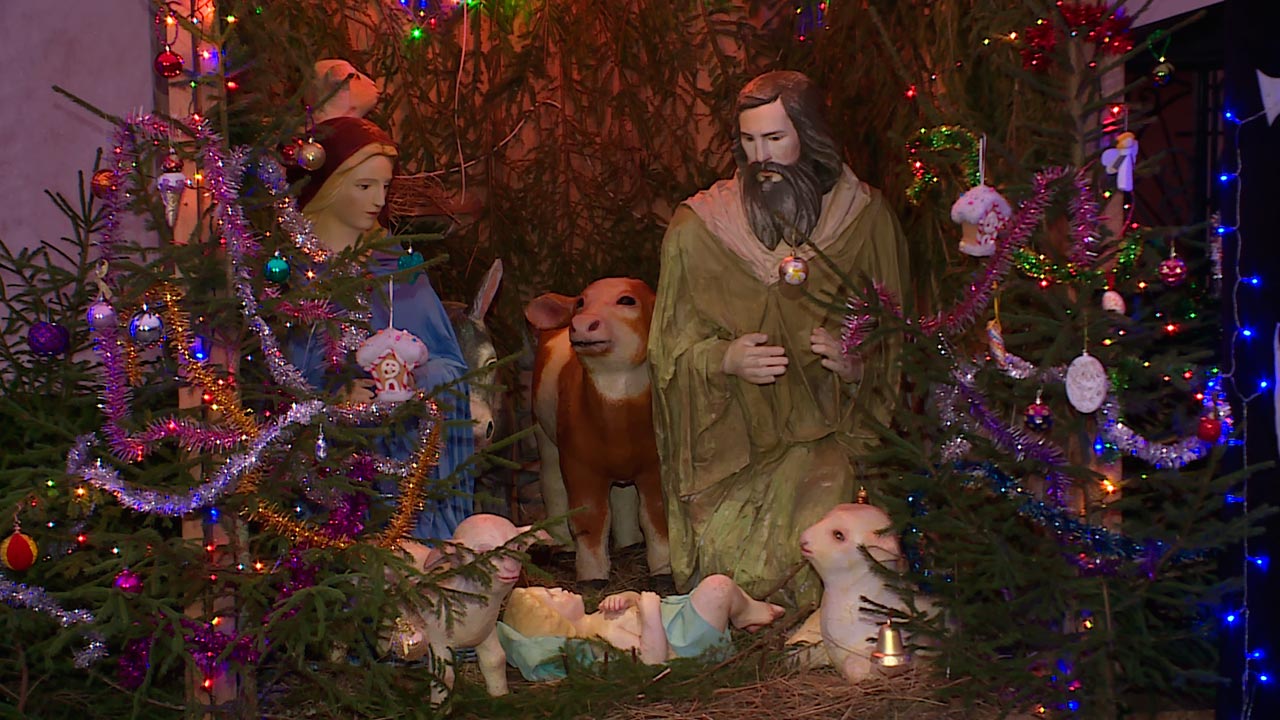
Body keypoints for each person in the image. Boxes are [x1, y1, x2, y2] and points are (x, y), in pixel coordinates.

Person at [648, 70, 910, 608]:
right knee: (732, 563)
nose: (760, 157)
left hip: (828, 437)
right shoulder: (698, 229)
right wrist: (724, 359)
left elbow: (896, 338)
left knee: (815, 546)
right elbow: (669, 351)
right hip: (736, 447)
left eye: (774, 138)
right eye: (748, 140)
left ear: (810, 136)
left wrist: (857, 364)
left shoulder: (865, 220)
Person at [288, 115, 475, 540]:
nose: (378, 200)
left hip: (409, 458)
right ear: (329, 185)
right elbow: (280, 369)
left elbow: (450, 362)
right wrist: (334, 395)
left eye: (385, 187)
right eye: (364, 186)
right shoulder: (292, 273)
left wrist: (417, 382)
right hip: (332, 478)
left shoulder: (396, 266)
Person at [496, 576, 784, 681]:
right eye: (552, 597)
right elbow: (653, 660)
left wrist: (629, 598)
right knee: (717, 587)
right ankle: (746, 613)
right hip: (686, 644)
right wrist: (649, 612)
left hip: (678, 619)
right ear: (554, 621)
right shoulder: (602, 637)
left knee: (719, 587)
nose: (560, 589)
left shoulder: (599, 615)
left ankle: (747, 612)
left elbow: (637, 602)